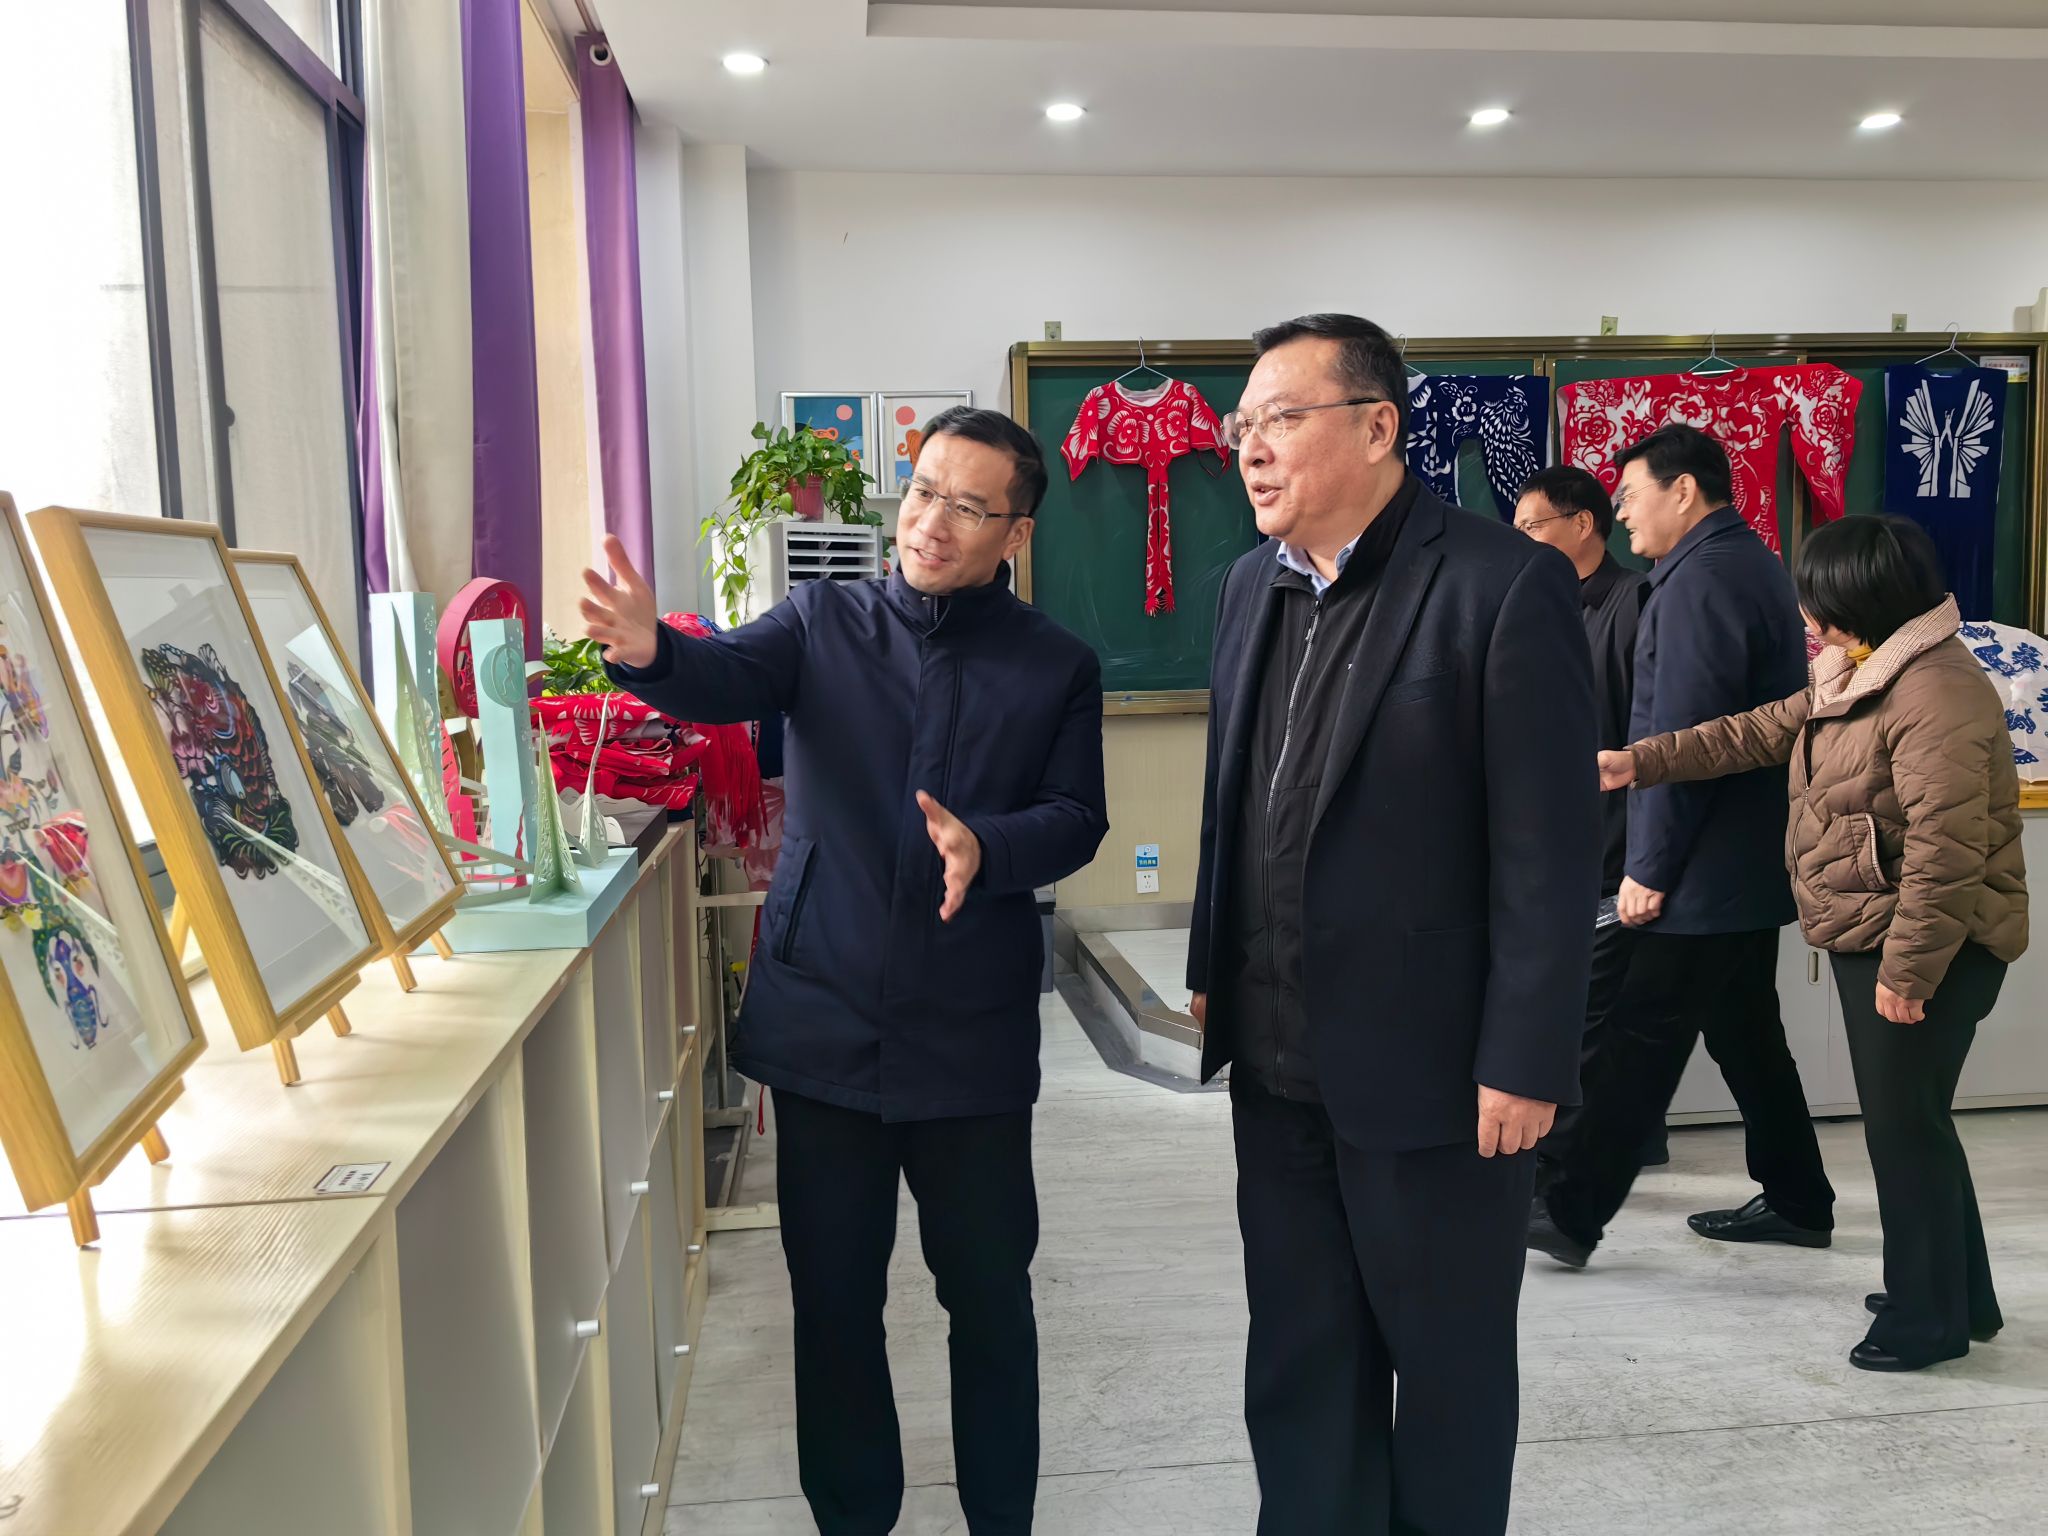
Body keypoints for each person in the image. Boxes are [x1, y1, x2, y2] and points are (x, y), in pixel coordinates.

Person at [581, 407, 1109, 1535]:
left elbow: (1076, 816)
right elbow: (722, 675)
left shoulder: (1055, 664)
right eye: (922, 493)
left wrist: (988, 846)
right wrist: (648, 651)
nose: (931, 524)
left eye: (967, 507)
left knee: (989, 1301)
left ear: (1014, 533)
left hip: (969, 1036)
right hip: (823, 1020)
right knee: (832, 1305)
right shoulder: (824, 620)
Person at [1187, 314, 1599, 1536]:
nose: (1250, 448)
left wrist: (1525, 1055)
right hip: (1275, 1067)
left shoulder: (1497, 582)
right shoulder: (1246, 587)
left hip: (1436, 1077)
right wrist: (1213, 966)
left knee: (1447, 1371)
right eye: (1241, 425)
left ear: (1377, 427)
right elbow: (1232, 804)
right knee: (1299, 1359)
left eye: (1279, 419)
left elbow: (1546, 846)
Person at [1600, 514, 2027, 1371]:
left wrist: (1909, 972)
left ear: (1862, 597)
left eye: (1816, 598)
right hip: (1884, 930)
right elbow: (1757, 730)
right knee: (1916, 1123)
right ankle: (1960, 1297)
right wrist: (1640, 762)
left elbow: (1947, 851)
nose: (1804, 613)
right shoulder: (1859, 669)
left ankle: (1925, 1320)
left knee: (1903, 1133)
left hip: (1929, 944)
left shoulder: (1934, 691)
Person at [1528, 423, 1836, 1271]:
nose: (1623, 513)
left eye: (1630, 496)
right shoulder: (1743, 561)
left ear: (1684, 491)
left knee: (1640, 1037)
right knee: (1746, 1033)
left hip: (1703, 866)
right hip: (1738, 862)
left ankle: (1568, 1212)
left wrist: (1648, 868)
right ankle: (1800, 1198)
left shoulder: (1700, 580)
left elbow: (1687, 738)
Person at [1511, 465, 1663, 1175]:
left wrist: (1642, 856)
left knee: (1594, 1013)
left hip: (1614, 844)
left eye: (1532, 526)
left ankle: (1568, 1168)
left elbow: (1651, 735)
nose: (1520, 540)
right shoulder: (1527, 604)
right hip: (1546, 840)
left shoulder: (1636, 602)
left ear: (1581, 525)